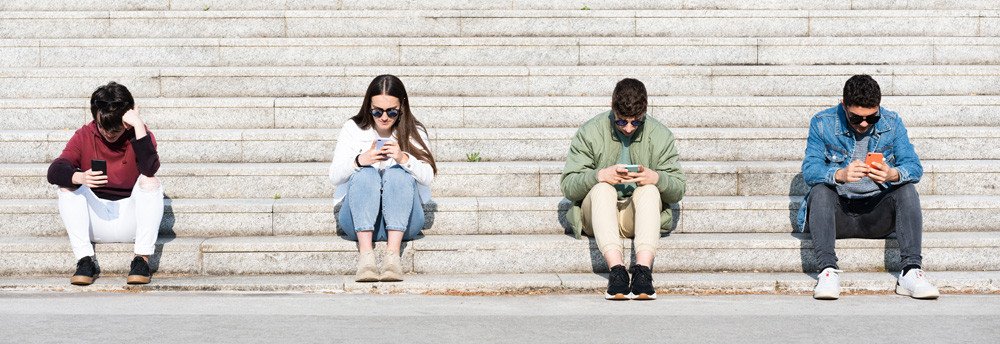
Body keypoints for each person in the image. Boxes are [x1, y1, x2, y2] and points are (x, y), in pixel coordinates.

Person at [799, 75, 939, 300]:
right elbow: (809, 170)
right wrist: (839, 174)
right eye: (856, 118)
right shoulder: (822, 122)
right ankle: (827, 270)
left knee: (906, 188)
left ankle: (910, 270)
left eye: (871, 118)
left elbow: (914, 166)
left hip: (877, 215)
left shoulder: (892, 123)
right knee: (820, 190)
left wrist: (893, 174)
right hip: (837, 214)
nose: (864, 124)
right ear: (844, 106)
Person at [560, 78, 686, 300]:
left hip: (634, 216)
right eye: (621, 122)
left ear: (644, 113)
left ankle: (643, 272)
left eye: (636, 122)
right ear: (612, 110)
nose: (628, 128)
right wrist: (599, 175)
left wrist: (656, 177)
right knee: (602, 189)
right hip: (597, 213)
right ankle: (617, 271)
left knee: (648, 190)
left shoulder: (660, 135)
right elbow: (569, 185)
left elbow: (678, 189)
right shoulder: (590, 132)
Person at [47, 82, 163, 286]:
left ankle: (141, 260)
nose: (109, 133)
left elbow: (150, 168)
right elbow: (54, 171)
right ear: (95, 119)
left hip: (131, 219)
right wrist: (79, 177)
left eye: (116, 128)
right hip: (96, 219)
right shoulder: (84, 135)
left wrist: (138, 126)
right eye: (103, 126)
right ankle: (85, 261)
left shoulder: (140, 134)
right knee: (67, 185)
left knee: (150, 181)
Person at [329, 75, 437, 282]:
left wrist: (403, 158)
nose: (384, 117)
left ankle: (392, 257)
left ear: (402, 107)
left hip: (405, 222)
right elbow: (334, 177)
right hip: (357, 221)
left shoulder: (414, 130)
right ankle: (366, 258)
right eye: (377, 111)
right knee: (366, 173)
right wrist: (360, 160)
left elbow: (428, 177)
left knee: (397, 172)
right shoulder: (353, 129)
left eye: (392, 111)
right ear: (368, 106)